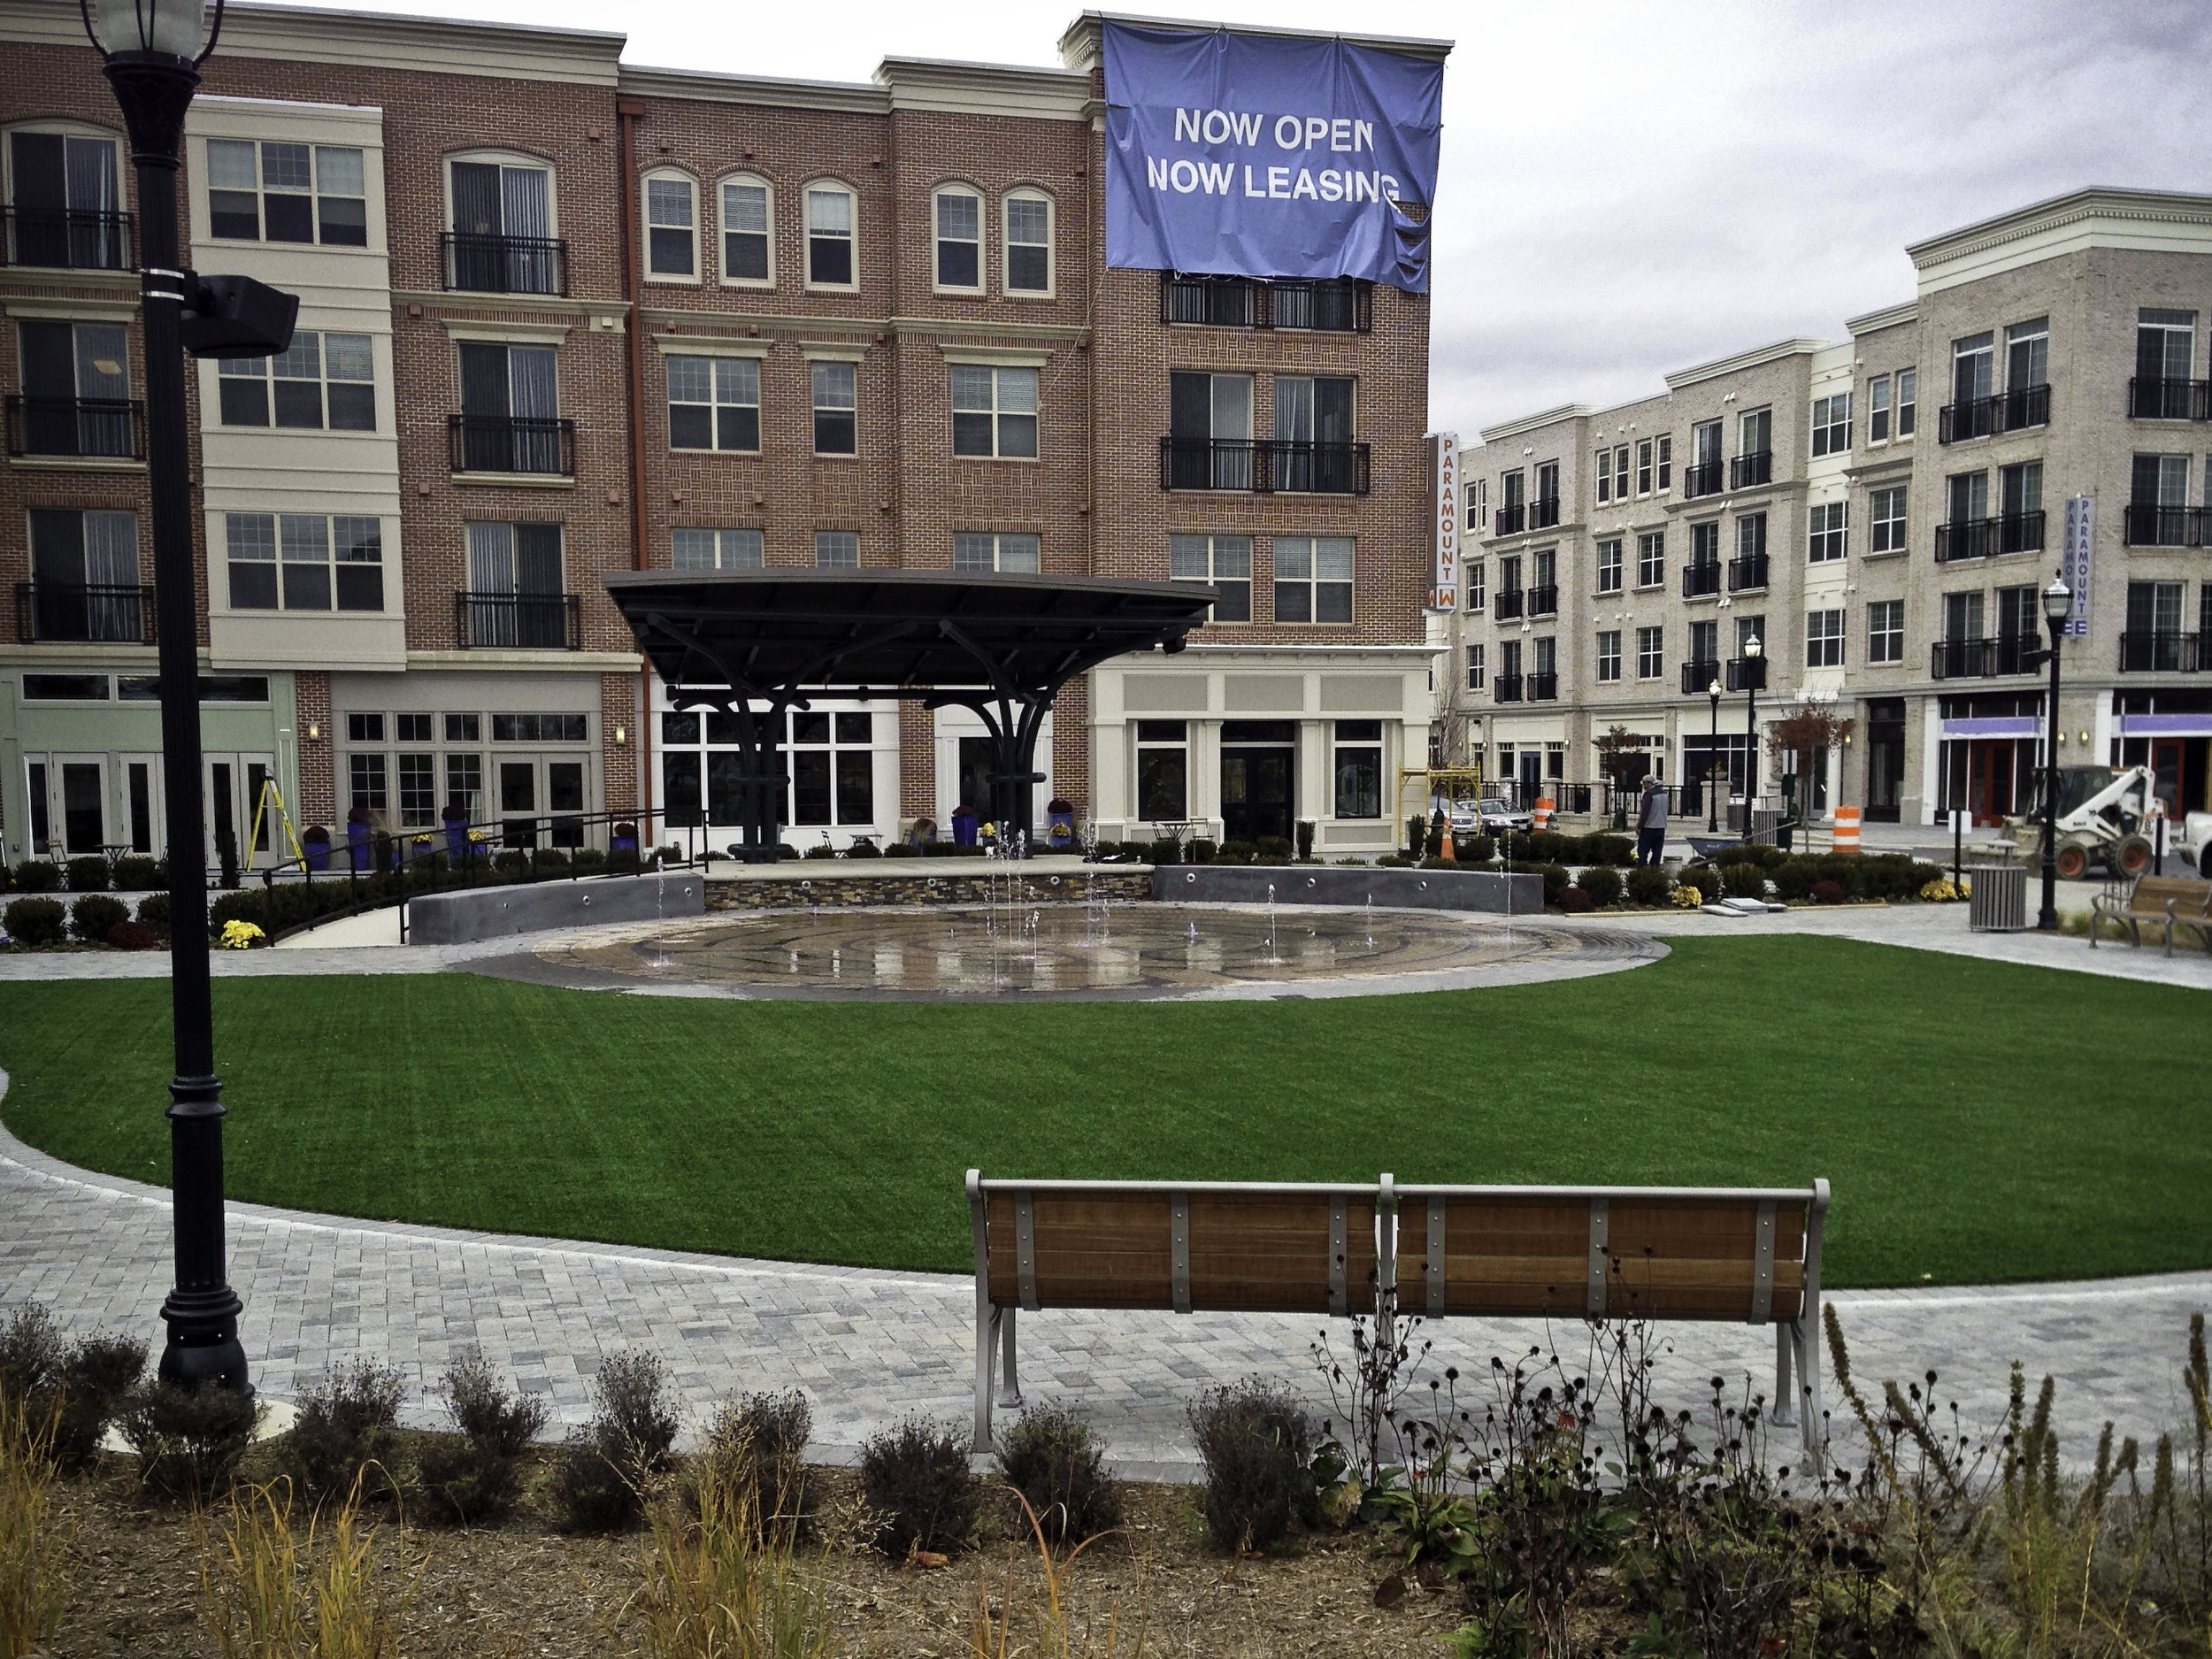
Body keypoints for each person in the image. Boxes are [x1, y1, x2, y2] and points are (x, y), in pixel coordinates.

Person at [1635, 777, 1669, 867]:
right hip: (1661, 827)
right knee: (1657, 852)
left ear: (1650, 783)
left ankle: (1642, 870)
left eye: (1644, 784)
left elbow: (1645, 812)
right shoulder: (1664, 793)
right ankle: (1654, 870)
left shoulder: (1649, 794)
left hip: (1649, 828)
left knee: (1643, 851)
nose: (1643, 786)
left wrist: (1639, 826)